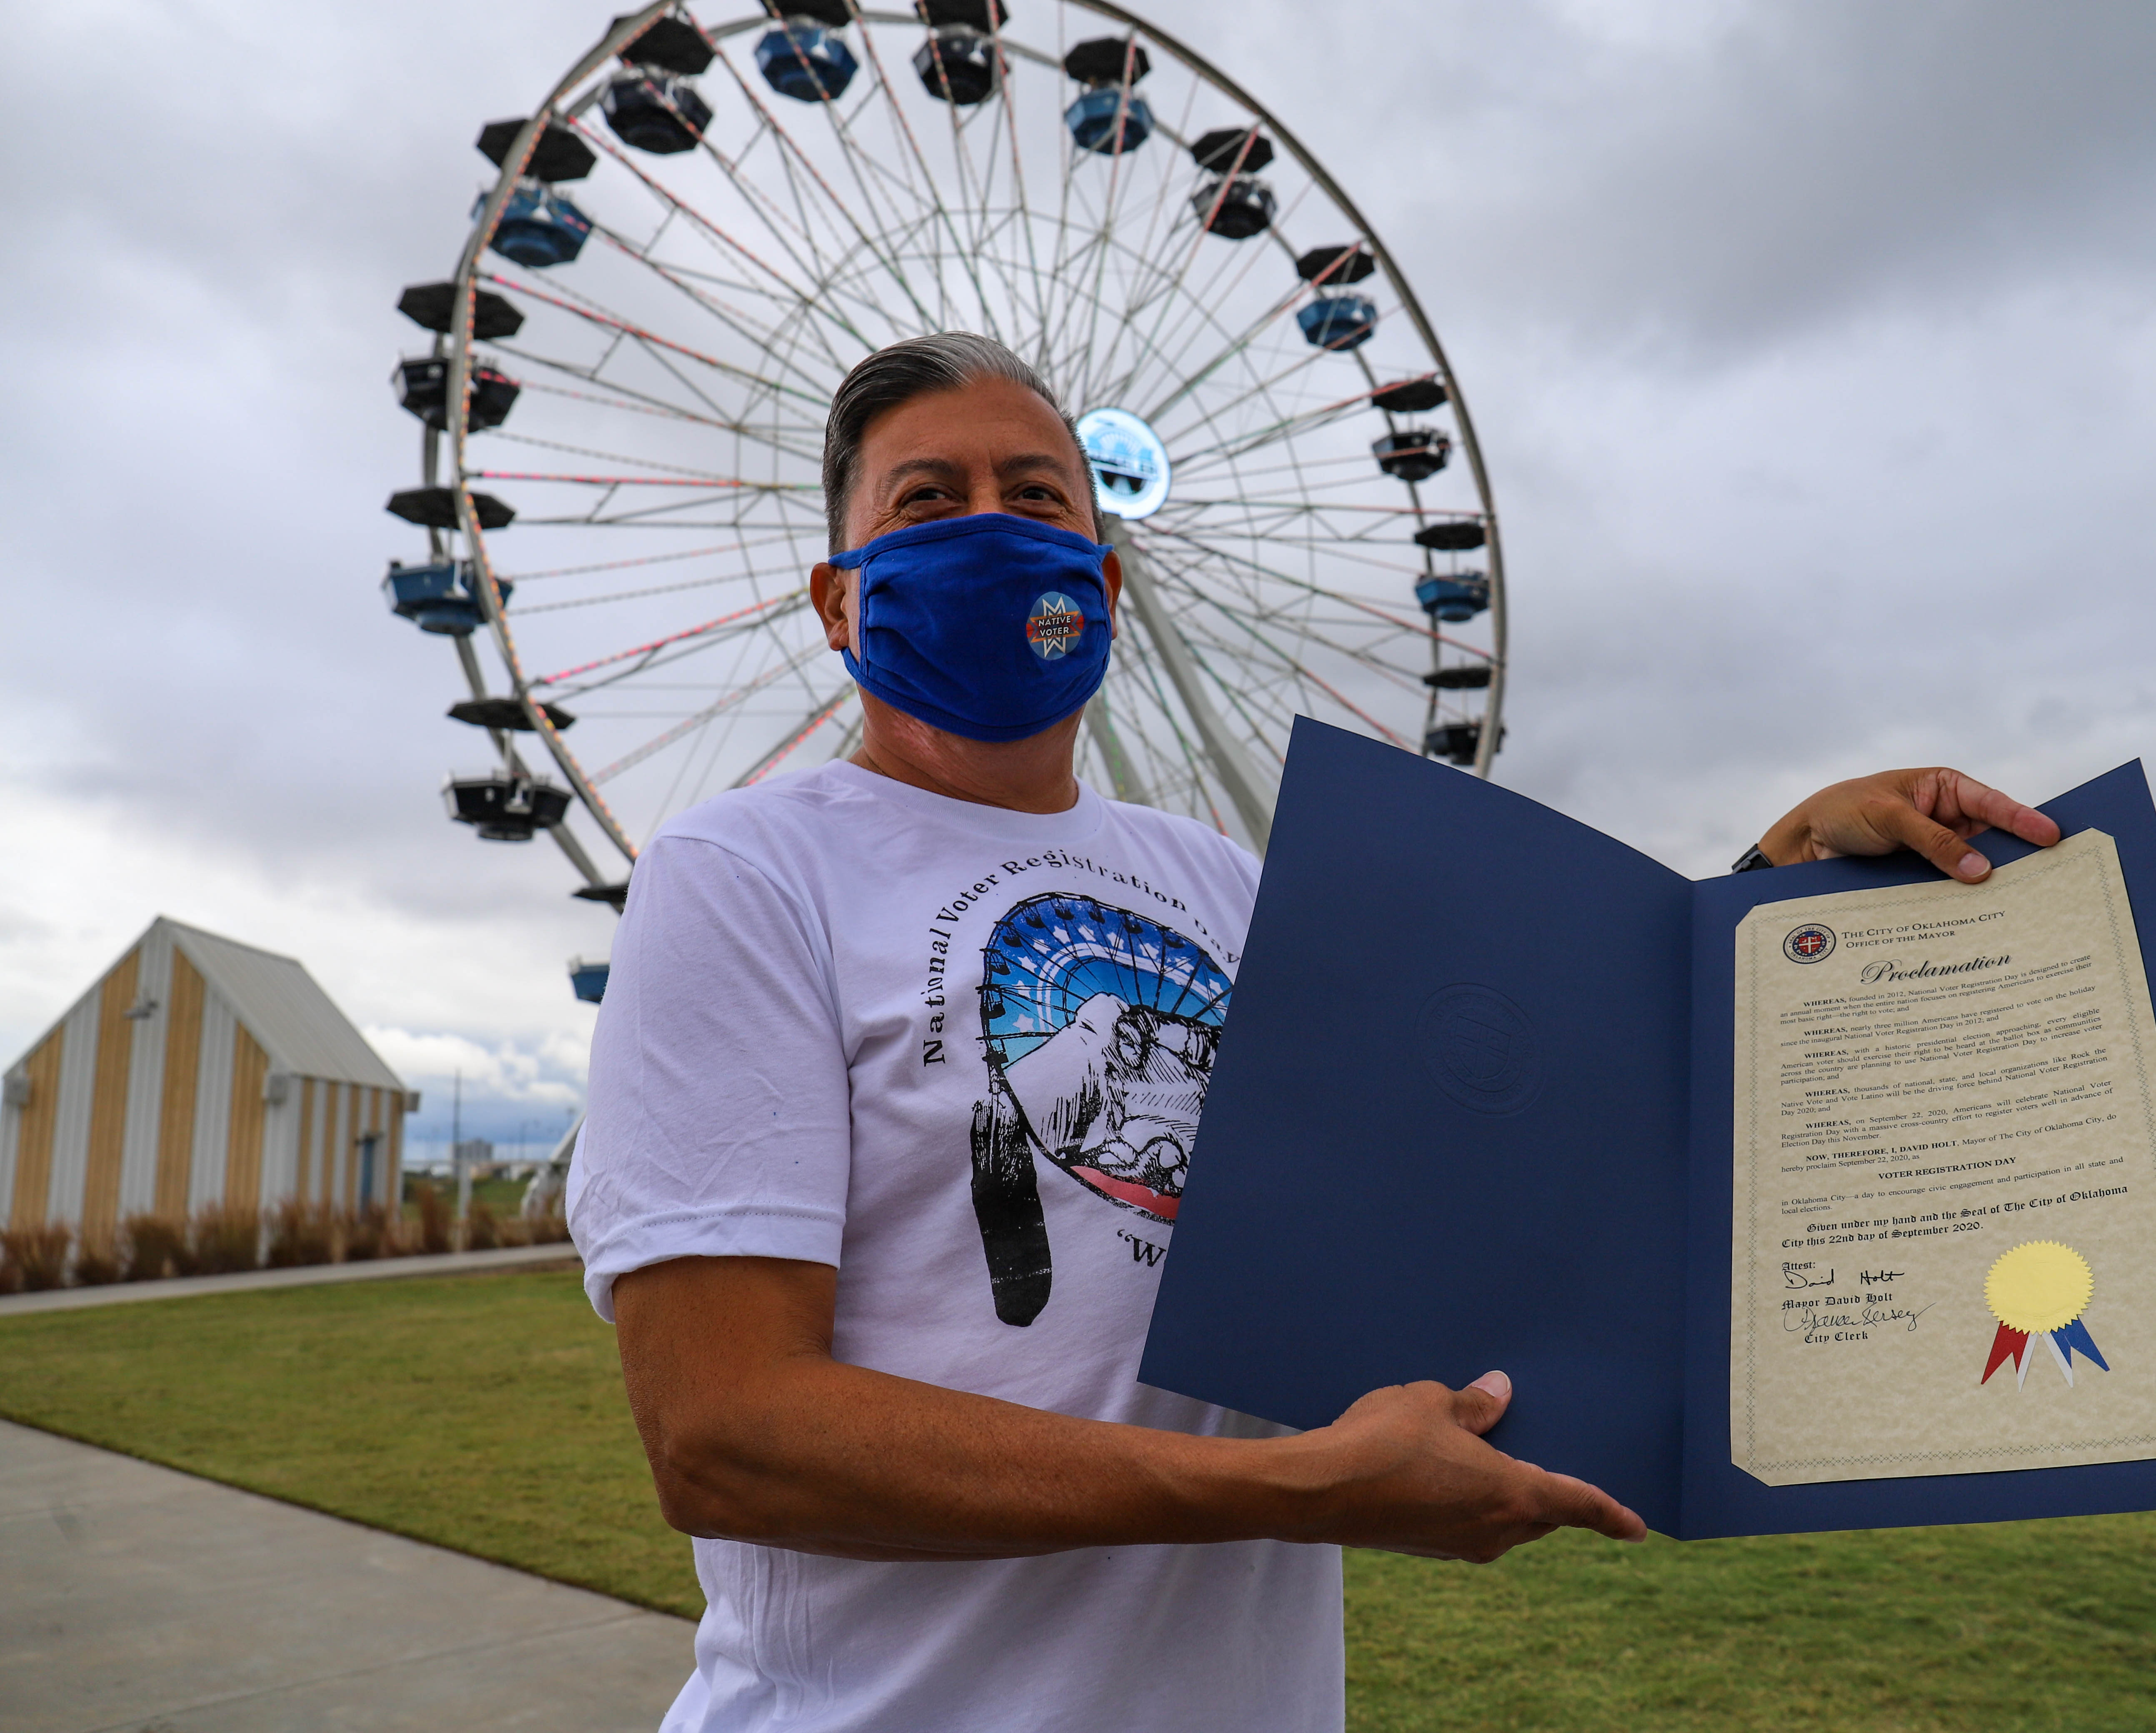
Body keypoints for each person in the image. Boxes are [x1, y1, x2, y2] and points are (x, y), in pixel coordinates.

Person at [569, 332, 2061, 1733]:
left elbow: (1517, 1107)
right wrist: (1288, 1485)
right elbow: (727, 1430)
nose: (990, 524)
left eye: (1035, 494)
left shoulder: (1224, 880)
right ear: (841, 597)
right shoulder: (749, 873)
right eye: (928, 498)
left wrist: (1779, 888)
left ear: (1102, 572)